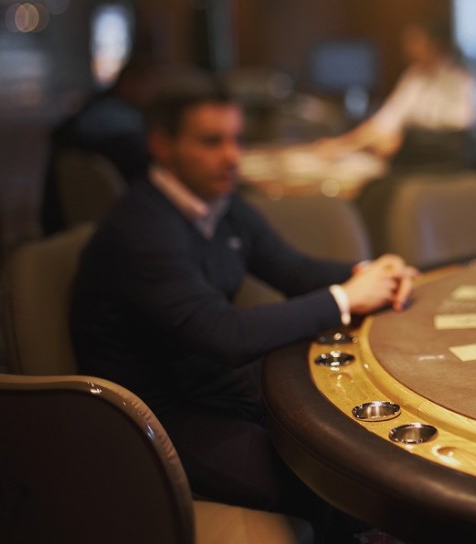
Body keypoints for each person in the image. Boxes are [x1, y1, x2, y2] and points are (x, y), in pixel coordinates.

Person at [70, 69, 417, 542]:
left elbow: (292, 269)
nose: (232, 156)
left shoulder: (220, 203)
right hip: (157, 420)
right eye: (212, 142)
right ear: (162, 145)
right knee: (342, 483)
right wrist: (345, 298)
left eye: (236, 139)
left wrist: (369, 272)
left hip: (222, 392)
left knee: (366, 454)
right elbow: (224, 334)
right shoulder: (141, 229)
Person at [318, 20, 476, 168]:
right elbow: (384, 121)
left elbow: (459, 125)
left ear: (435, 44)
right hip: (409, 161)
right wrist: (341, 145)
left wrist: (402, 140)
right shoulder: (414, 76)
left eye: (415, 41)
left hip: (445, 165)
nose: (408, 48)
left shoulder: (460, 78)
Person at [41, 57, 158, 234]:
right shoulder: (117, 121)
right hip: (114, 220)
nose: (154, 92)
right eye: (151, 84)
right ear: (130, 83)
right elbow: (146, 169)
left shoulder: (97, 107)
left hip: (65, 217)